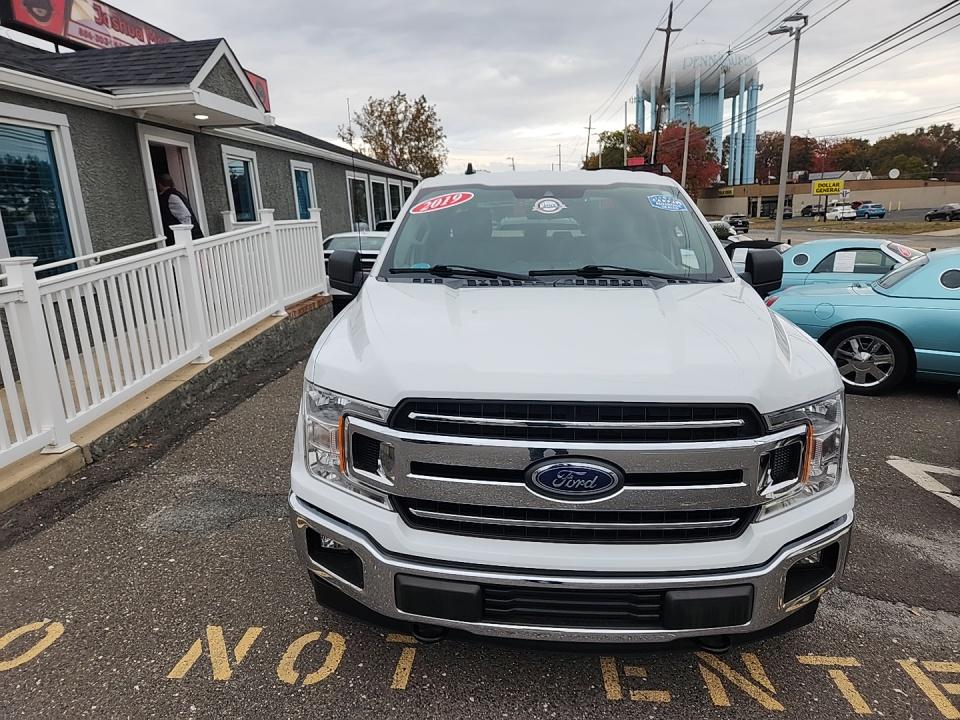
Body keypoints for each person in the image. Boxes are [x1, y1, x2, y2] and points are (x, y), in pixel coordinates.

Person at [156, 173, 203, 245]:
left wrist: (187, 237)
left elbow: (185, 217)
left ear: (160, 184)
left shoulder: (171, 196)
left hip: (188, 238)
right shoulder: (174, 194)